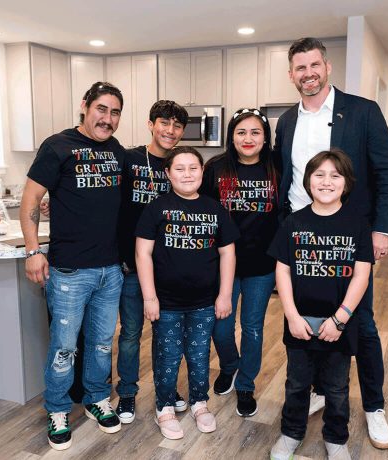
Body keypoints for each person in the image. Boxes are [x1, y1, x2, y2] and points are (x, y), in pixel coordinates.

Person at [274, 37, 388, 449]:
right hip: (301, 236)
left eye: (314, 65)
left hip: (349, 236)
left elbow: (387, 172)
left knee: (359, 322)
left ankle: (374, 406)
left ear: (327, 68)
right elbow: (286, 178)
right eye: (299, 68)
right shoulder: (287, 121)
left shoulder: (363, 111)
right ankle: (318, 392)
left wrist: (381, 229)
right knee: (306, 321)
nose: (307, 73)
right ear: (291, 75)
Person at [20, 81, 126, 450]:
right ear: (85, 106)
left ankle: (97, 399)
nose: (107, 118)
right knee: (64, 346)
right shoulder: (58, 146)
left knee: (100, 344)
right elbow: (31, 197)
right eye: (101, 109)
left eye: (114, 112)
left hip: (110, 270)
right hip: (68, 271)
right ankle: (57, 409)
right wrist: (33, 251)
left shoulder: (116, 151)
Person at [268, 150, 373, 460]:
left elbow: (362, 276)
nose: (327, 181)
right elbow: (282, 270)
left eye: (335, 176)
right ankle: (291, 433)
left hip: (338, 325)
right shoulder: (293, 222)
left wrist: (340, 320)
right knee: (297, 384)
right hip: (299, 322)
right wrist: (291, 315)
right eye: (319, 175)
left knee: (337, 388)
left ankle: (336, 437)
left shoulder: (357, 224)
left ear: (346, 183)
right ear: (308, 181)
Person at [135, 146, 239, 440]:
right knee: (167, 357)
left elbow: (228, 254)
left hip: (205, 302)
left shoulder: (215, 208)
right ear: (167, 174)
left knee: (199, 355)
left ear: (202, 172)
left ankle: (199, 402)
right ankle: (164, 408)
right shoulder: (156, 208)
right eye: (179, 168)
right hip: (165, 303)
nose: (187, 174)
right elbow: (143, 253)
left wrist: (225, 294)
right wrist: (149, 297)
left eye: (193, 167)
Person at [201, 108, 280, 417]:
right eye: (241, 132)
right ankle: (230, 366)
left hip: (262, 266)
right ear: (231, 136)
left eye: (255, 132)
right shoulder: (216, 168)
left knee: (253, 328)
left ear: (265, 137)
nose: (248, 139)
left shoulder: (277, 167)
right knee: (220, 328)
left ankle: (246, 384)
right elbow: (204, 213)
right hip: (224, 264)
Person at [115, 100, 190, 424]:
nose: (170, 131)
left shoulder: (182, 165)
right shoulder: (129, 159)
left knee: (167, 337)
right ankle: (128, 394)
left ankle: (167, 389)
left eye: (176, 126)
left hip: (169, 270)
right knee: (131, 333)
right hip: (132, 267)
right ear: (150, 124)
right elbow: (101, 198)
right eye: (164, 123)